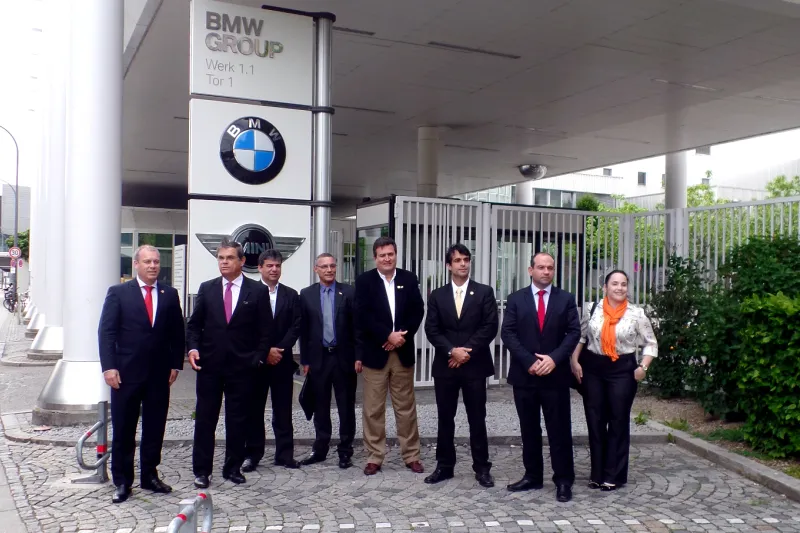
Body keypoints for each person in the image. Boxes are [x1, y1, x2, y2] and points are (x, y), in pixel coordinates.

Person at [98, 245, 185, 504]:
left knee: (155, 427)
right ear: (136, 264)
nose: (153, 266)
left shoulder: (169, 294)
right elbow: (107, 333)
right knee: (124, 429)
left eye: (156, 261)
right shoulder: (119, 293)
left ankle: (150, 475)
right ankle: (123, 481)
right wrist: (109, 367)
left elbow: (177, 332)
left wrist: (175, 363)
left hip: (159, 375)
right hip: (125, 374)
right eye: (147, 261)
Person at [187, 238, 272, 488]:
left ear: (242, 261)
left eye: (230, 258)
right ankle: (202, 470)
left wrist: (256, 359)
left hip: (242, 368)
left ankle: (233, 467)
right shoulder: (207, 288)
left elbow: (265, 331)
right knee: (205, 419)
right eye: (221, 258)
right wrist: (192, 348)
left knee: (237, 420)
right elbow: (193, 325)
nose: (224, 262)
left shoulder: (256, 291)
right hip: (210, 367)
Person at [501, 252, 581, 502]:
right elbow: (508, 333)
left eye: (550, 268)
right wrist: (530, 361)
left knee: (559, 430)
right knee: (529, 430)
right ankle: (533, 476)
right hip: (525, 376)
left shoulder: (565, 299)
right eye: (541, 267)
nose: (546, 272)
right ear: (530, 270)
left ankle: (564, 480)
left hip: (555, 376)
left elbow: (573, 332)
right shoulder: (516, 299)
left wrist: (553, 359)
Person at [570, 270, 657, 491]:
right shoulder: (593, 309)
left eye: (624, 284)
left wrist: (643, 367)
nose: (619, 288)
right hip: (593, 368)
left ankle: (613, 474)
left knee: (618, 420)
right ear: (605, 287)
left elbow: (651, 343)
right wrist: (574, 361)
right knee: (595, 420)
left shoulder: (636, 314)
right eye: (615, 284)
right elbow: (581, 337)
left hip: (622, 369)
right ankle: (597, 473)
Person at [423, 244, 498, 488]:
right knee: (446, 417)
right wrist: (451, 351)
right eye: (457, 260)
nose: (463, 264)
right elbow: (431, 329)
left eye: (466, 259)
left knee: (477, 418)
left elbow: (489, 326)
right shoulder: (437, 295)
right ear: (449, 265)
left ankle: (482, 468)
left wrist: (466, 351)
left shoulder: (484, 292)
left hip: (474, 365)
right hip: (446, 366)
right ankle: (444, 466)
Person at [355, 236, 425, 476]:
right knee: (373, 408)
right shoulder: (365, 281)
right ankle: (374, 456)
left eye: (390, 254)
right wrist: (387, 335)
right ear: (375, 258)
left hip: (402, 352)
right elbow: (362, 316)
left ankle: (411, 455)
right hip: (376, 353)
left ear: (396, 255)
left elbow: (418, 310)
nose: (387, 258)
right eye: (382, 255)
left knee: (405, 408)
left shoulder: (408, 278)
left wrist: (402, 336)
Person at [242, 249, 302, 472]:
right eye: (269, 266)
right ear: (260, 268)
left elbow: (296, 326)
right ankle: (253, 454)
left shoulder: (291, 295)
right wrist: (265, 351)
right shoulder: (249, 293)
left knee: (283, 409)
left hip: (282, 362)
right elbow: (246, 328)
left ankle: (284, 454)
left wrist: (280, 349)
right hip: (257, 362)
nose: (274, 269)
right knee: (254, 410)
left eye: (277, 266)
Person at [298, 253, 358, 469]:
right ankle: (320, 448)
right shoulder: (306, 295)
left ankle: (345, 451)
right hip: (318, 359)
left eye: (333, 266)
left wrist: (358, 356)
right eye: (324, 266)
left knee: (345, 406)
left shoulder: (349, 292)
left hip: (344, 358)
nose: (329, 270)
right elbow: (303, 331)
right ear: (316, 270)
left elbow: (356, 328)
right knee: (320, 406)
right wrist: (305, 360)